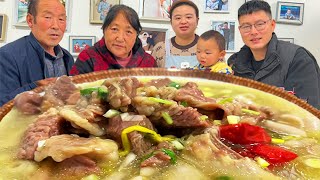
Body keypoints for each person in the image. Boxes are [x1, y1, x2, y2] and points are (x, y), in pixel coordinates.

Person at [230, 0, 320, 109]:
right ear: (240, 30)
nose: (253, 31)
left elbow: (308, 112)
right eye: (246, 26)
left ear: (272, 25)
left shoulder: (298, 58)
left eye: (260, 24)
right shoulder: (234, 63)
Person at [0, 0, 74, 107]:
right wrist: (36, 87)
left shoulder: (67, 58)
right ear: (30, 20)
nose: (56, 26)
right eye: (48, 17)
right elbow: (2, 104)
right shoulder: (7, 55)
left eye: (61, 19)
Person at [70, 4, 157, 75]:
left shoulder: (149, 63)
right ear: (104, 30)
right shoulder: (88, 58)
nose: (120, 38)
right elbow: (72, 93)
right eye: (114, 29)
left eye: (128, 32)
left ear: (136, 35)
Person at [151, 0, 199, 69]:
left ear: (197, 20)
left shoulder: (209, 47)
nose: (183, 21)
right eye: (178, 18)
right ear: (171, 22)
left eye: (188, 17)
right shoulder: (160, 49)